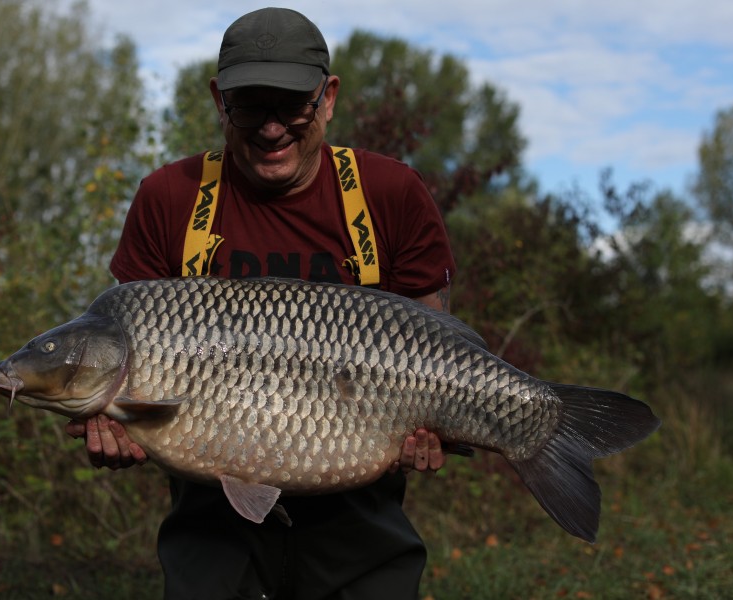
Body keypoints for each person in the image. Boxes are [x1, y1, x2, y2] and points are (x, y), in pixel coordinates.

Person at [66, 8, 456, 599]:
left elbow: (436, 350)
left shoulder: (390, 193)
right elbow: (118, 356)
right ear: (220, 101)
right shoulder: (169, 199)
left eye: (291, 104)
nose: (271, 128)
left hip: (361, 522)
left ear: (327, 98)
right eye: (250, 107)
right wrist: (111, 425)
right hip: (212, 526)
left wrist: (433, 429)